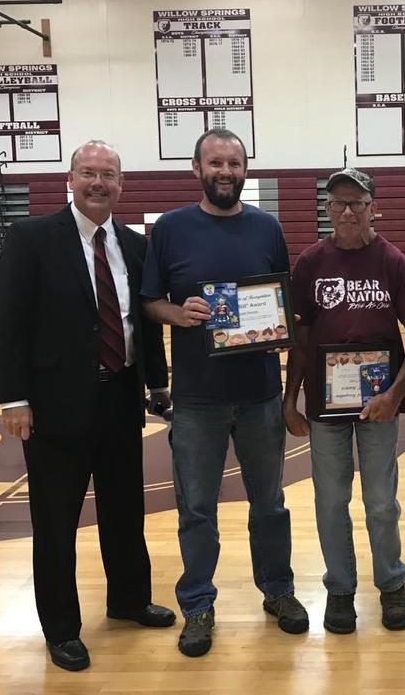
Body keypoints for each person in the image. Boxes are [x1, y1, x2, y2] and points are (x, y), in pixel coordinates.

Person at [0, 140, 175, 672]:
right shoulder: (30, 239)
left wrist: (157, 385)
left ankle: (129, 600)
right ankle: (61, 628)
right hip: (52, 406)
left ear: (122, 183)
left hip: (119, 397)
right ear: (69, 179)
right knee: (55, 521)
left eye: (109, 175)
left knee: (124, 508)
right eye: (89, 173)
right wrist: (14, 399)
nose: (99, 183)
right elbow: (8, 324)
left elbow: (143, 323)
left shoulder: (136, 245)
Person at [141, 128, 308, 658]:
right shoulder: (169, 229)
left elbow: (280, 299)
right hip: (196, 399)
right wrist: (178, 312)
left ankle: (277, 590)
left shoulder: (267, 227)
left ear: (244, 169)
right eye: (215, 163)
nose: (225, 172)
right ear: (197, 168)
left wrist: (280, 328)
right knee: (196, 508)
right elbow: (150, 302)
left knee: (270, 503)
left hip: (260, 392)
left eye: (234, 163)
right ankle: (197, 604)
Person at [282, 168, 405, 634]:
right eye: (338, 204)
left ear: (373, 207)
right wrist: (291, 401)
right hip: (325, 408)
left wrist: (394, 395)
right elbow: (301, 341)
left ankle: (391, 584)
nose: (347, 211)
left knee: (381, 502)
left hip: (378, 407)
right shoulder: (309, 263)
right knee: (330, 501)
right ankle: (340, 589)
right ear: (327, 211)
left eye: (357, 203)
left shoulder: (391, 262)